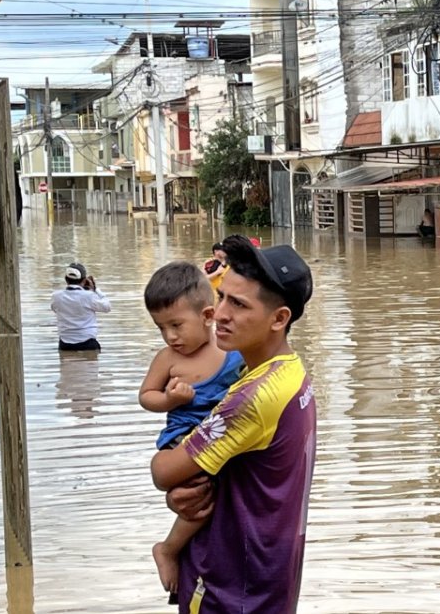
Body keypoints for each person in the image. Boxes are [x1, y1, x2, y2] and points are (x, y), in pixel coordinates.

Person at [151, 234, 315, 613]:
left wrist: (173, 481)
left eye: (238, 304)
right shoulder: (291, 373)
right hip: (268, 581)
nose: (220, 314)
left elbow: (164, 471)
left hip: (228, 587)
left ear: (279, 319)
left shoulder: (252, 397)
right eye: (222, 296)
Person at [139, 262, 245, 599]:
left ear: (208, 315)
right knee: (200, 495)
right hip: (183, 438)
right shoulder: (168, 359)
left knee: (217, 492)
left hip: (219, 437)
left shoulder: (232, 353)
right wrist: (169, 398)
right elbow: (146, 396)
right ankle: (169, 548)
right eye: (161, 328)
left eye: (176, 325)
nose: (171, 336)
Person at [51, 262, 111, 351]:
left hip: (65, 345)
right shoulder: (89, 296)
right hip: (88, 344)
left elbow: (54, 308)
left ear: (66, 279)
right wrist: (95, 289)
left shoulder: (56, 296)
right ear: (84, 280)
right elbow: (107, 307)